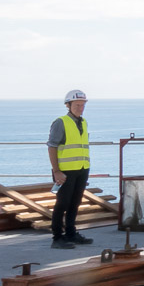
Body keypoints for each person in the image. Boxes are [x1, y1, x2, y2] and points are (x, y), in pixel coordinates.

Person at [47, 89, 93, 250]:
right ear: (68, 105)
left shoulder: (83, 122)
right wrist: (56, 171)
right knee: (62, 203)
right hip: (65, 171)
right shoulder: (61, 122)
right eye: (77, 105)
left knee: (75, 203)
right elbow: (52, 147)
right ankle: (57, 237)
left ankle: (71, 233)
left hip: (81, 169)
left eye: (82, 105)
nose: (80, 108)